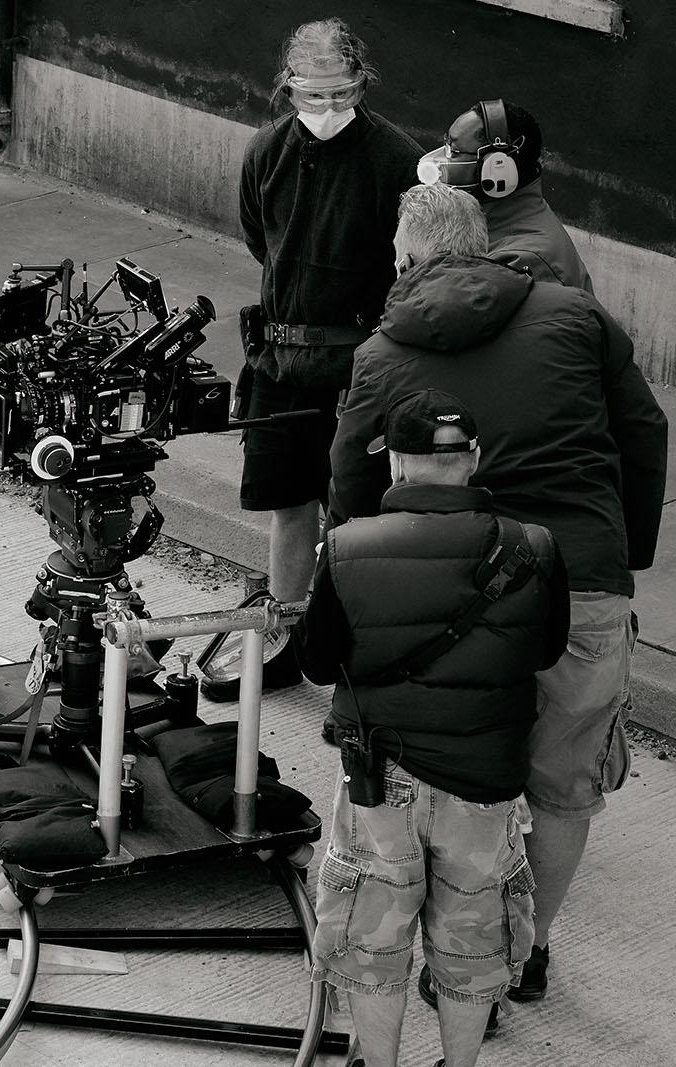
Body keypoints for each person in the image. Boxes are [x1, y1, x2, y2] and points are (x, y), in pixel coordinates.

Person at [330, 183, 667, 1009]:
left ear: (405, 258)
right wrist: (619, 551)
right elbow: (645, 429)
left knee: (437, 776)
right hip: (581, 579)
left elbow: (349, 479)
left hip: (445, 585)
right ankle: (527, 951)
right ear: (483, 243)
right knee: (563, 780)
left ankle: (440, 954)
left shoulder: (381, 354)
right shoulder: (574, 315)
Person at [298, 388, 568, 1067]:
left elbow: (315, 661)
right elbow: (547, 651)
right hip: (485, 783)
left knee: (372, 937)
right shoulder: (533, 549)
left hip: (378, 784)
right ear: (473, 459)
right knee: (473, 942)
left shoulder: (346, 549)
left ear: (397, 466)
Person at [233, 16, 422, 693]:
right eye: (313, 96)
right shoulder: (266, 152)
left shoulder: (397, 161)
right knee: (288, 506)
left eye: (341, 95)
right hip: (281, 360)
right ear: (288, 89)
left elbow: (412, 270)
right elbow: (263, 240)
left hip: (359, 368)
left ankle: (354, 652)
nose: (327, 110)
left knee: (358, 517)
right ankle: (286, 636)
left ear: (362, 85)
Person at [416, 99, 593, 291]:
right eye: (446, 145)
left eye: (454, 151)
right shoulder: (487, 224)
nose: (438, 161)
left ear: (497, 168)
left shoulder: (522, 261)